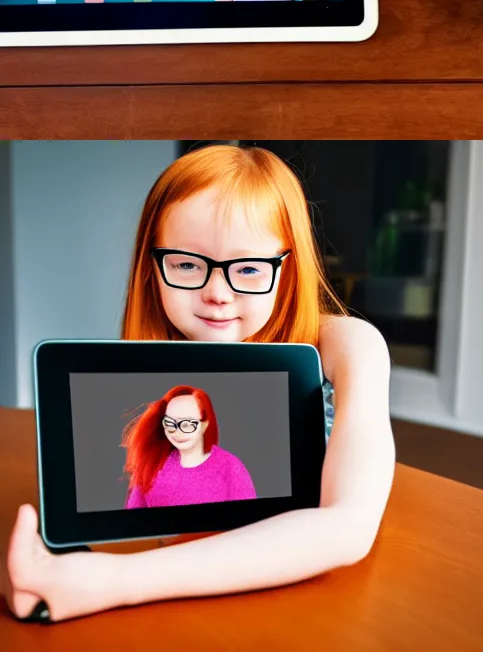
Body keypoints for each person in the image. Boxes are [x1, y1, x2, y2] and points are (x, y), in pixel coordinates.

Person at [3, 144, 394, 622]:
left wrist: (107, 582)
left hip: (314, 600)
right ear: (154, 267)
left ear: (286, 271)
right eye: (187, 264)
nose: (217, 294)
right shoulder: (156, 369)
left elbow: (347, 528)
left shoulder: (350, 345)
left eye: (248, 268)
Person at [122, 385, 259, 509]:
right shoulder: (151, 466)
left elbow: (248, 526)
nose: (177, 432)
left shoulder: (230, 468)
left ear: (204, 424)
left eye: (187, 424)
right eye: (170, 423)